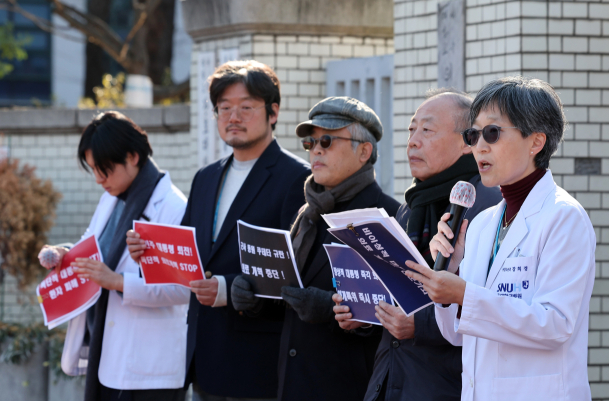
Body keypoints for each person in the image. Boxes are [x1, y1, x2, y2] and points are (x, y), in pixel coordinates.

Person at [128, 60, 310, 401]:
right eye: (223, 108)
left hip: (258, 360)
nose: (233, 117)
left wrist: (228, 288)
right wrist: (148, 252)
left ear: (274, 112)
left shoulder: (296, 179)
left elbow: (296, 271)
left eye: (245, 107)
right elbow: (191, 256)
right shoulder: (205, 177)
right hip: (204, 354)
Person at [409, 76, 595, 400]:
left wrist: (465, 294)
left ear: (536, 142)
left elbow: (555, 324)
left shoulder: (564, 217)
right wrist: (448, 277)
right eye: (473, 134)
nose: (478, 145)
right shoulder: (482, 223)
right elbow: (456, 334)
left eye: (492, 133)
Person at [334, 88, 502, 401]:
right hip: (390, 381)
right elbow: (396, 292)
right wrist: (364, 313)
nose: (413, 141)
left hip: (446, 385)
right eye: (411, 130)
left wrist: (420, 324)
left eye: (426, 130)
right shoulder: (412, 205)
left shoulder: (487, 206)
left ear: (468, 142)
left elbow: (497, 306)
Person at [230, 97, 400, 401]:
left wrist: (332, 310)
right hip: (292, 384)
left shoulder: (387, 216)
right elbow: (292, 301)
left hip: (350, 388)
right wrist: (254, 296)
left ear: (364, 151)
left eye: (327, 140)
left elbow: (400, 317)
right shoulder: (307, 214)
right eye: (310, 142)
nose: (316, 149)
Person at [41, 111, 189, 401]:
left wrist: (118, 282)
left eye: (104, 169)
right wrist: (63, 254)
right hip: (110, 357)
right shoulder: (112, 197)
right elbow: (91, 245)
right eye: (94, 169)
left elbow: (182, 288)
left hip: (152, 370)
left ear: (133, 156)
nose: (98, 179)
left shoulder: (173, 206)